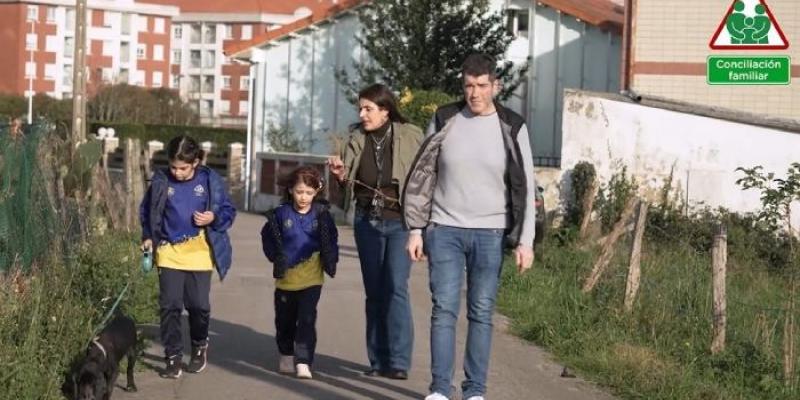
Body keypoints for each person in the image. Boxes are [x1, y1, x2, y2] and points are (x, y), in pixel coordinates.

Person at [403, 54, 537, 400]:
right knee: (444, 308)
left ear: (496, 85)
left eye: (481, 86)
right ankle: (439, 390)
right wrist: (416, 230)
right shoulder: (445, 118)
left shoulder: (513, 126)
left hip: (491, 234)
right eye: (468, 86)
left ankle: (474, 390)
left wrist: (526, 241)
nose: (474, 93)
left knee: (481, 311)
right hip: (444, 229)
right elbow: (422, 176)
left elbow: (526, 185)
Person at [326, 83, 423, 379]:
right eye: (360, 108)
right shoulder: (354, 139)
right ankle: (378, 360)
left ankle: (399, 361)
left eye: (368, 108)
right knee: (374, 292)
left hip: (399, 222)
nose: (362, 113)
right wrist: (340, 175)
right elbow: (345, 188)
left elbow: (423, 177)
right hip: (366, 221)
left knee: (395, 286)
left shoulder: (411, 135)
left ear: (385, 110)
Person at [139, 135, 236, 379]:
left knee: (198, 306)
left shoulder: (210, 180)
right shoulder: (162, 181)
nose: (177, 172)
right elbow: (147, 211)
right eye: (173, 167)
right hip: (169, 251)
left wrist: (213, 218)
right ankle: (172, 356)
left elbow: (228, 210)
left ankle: (199, 345)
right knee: (170, 305)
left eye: (183, 168)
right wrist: (148, 236)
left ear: (195, 162)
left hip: (200, 252)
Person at [260, 166, 339, 380]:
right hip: (286, 279)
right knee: (285, 321)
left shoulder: (322, 216)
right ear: (290, 190)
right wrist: (275, 257)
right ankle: (286, 353)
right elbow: (267, 238)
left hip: (312, 279)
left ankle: (304, 360)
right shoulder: (280, 215)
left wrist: (331, 260)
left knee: (306, 318)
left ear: (317, 192)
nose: (303, 197)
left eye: (309, 193)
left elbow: (332, 239)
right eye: (299, 192)